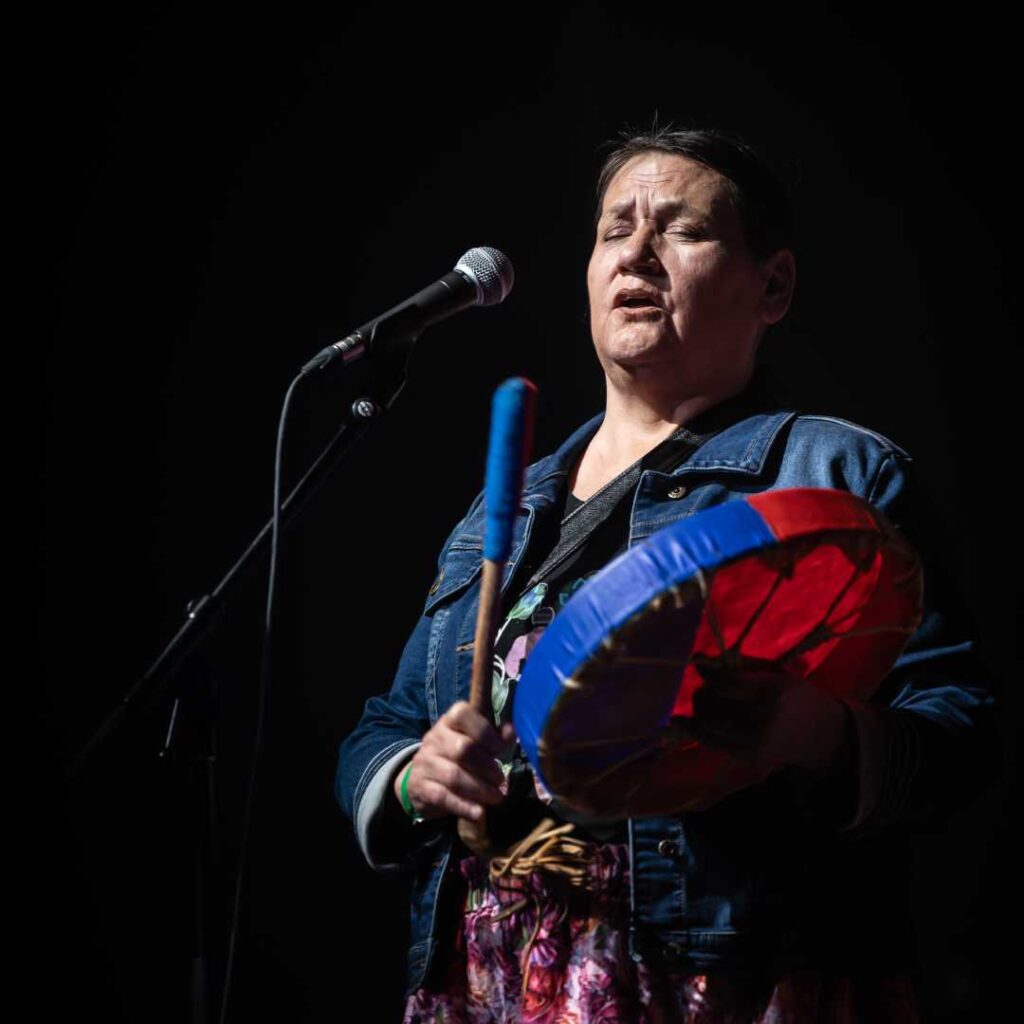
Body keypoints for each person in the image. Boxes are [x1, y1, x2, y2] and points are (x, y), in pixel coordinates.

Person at [334, 124, 999, 1022]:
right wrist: (419, 777)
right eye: (615, 230)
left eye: (682, 229)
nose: (636, 253)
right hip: (492, 985)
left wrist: (820, 737)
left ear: (774, 285)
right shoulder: (509, 508)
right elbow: (383, 727)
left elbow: (962, 742)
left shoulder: (839, 472)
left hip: (724, 980)